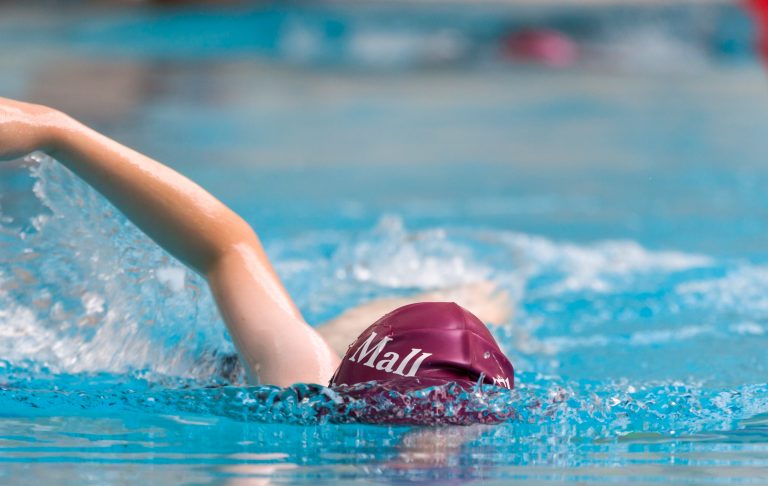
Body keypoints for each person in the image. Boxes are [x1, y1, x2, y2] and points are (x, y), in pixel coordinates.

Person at [0, 96, 515, 402]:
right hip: (270, 369)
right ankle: (474, 296)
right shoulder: (307, 390)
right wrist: (56, 130)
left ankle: (476, 298)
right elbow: (226, 246)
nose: (419, 458)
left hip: (319, 364)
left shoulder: (319, 385)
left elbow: (229, 247)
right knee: (314, 351)